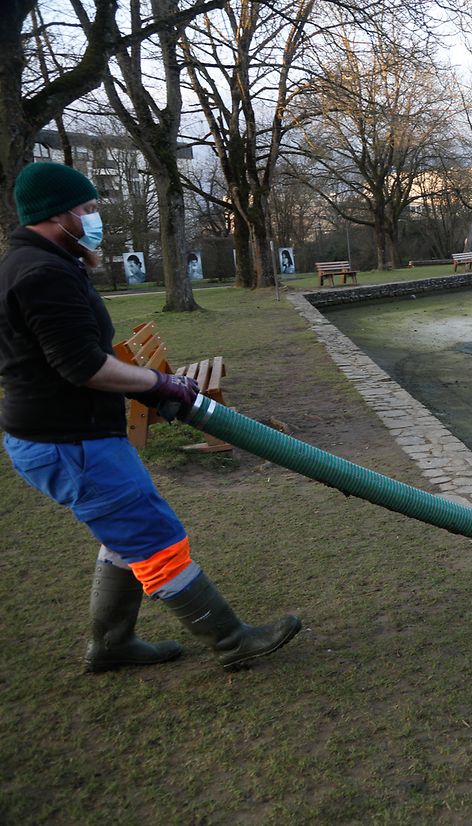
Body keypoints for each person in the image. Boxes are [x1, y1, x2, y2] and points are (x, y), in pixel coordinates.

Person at [0, 162, 301, 673]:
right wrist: (160, 383)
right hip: (70, 443)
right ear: (58, 214)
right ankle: (231, 641)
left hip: (69, 436)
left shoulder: (34, 263)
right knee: (154, 538)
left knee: (126, 534)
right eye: (87, 209)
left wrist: (151, 387)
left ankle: (113, 645)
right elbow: (84, 366)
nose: (94, 218)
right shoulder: (41, 273)